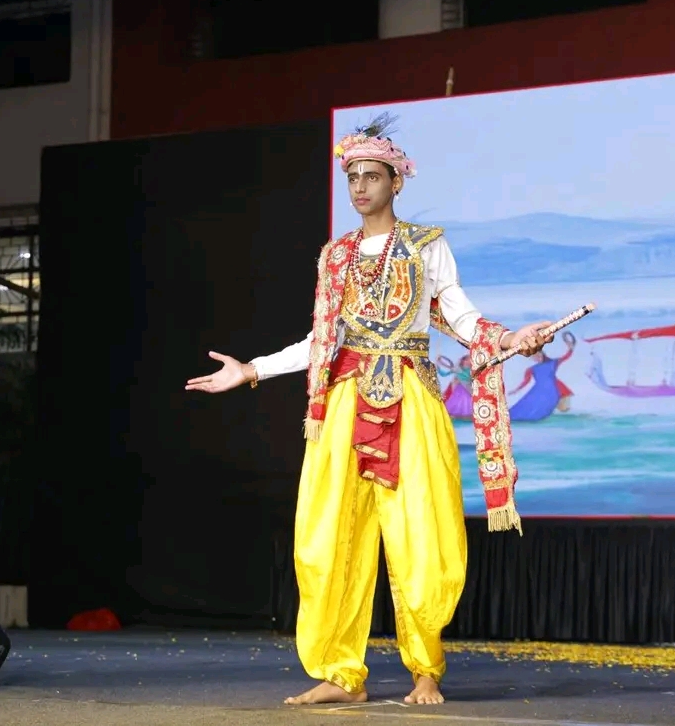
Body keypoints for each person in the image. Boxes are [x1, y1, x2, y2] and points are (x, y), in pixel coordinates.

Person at [186, 114, 551, 707]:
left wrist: (512, 339)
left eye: (372, 176)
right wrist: (251, 370)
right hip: (345, 404)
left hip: (411, 401)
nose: (359, 187)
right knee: (327, 538)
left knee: (422, 538)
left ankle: (425, 670)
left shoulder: (427, 246)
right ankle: (340, 674)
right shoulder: (336, 257)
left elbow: (461, 318)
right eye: (352, 177)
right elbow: (320, 341)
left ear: (396, 181)